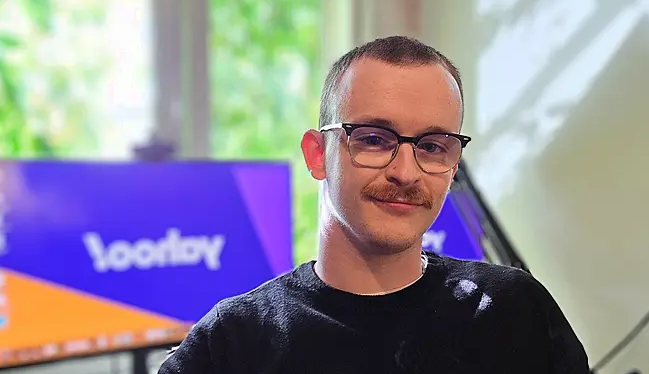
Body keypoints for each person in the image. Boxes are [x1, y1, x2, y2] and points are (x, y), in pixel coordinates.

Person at [158, 36, 590, 373]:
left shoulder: (515, 312)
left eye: (434, 145)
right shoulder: (232, 345)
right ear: (316, 154)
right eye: (373, 139)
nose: (406, 172)